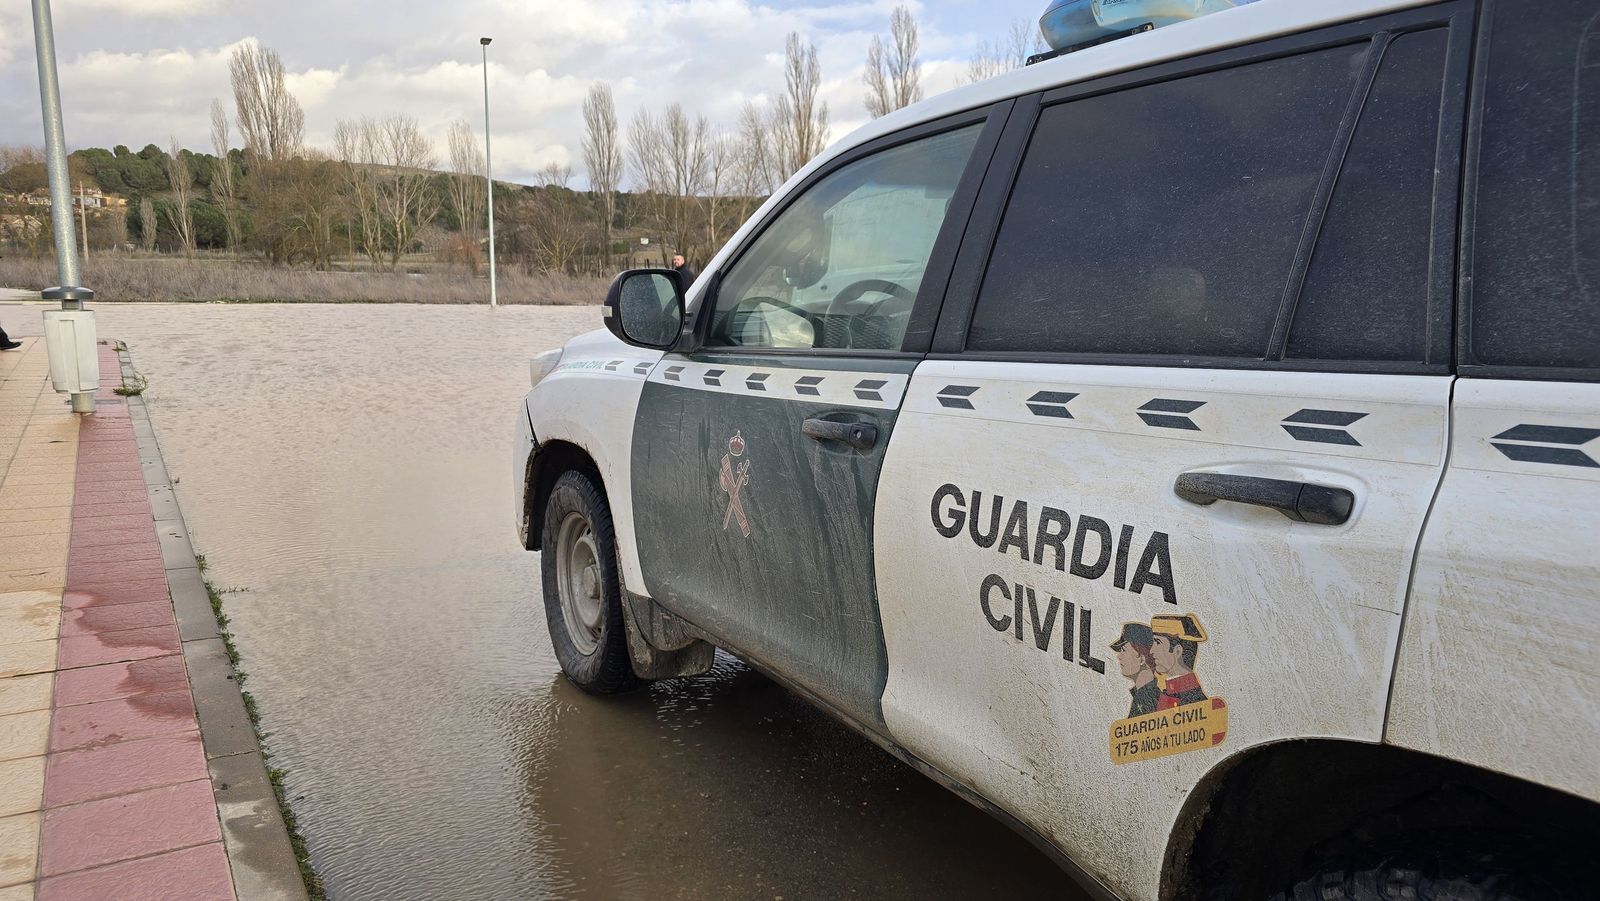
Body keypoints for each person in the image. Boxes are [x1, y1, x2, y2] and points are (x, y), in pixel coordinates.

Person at [1149, 613, 1209, 710]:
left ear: (1177, 651)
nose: (1152, 650)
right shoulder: (1168, 692)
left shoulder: (1195, 701)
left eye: (1158, 642)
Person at [1111, 622, 1161, 717]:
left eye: (1124, 650)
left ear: (1142, 659)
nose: (1119, 656)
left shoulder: (1147, 698)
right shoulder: (1142, 694)